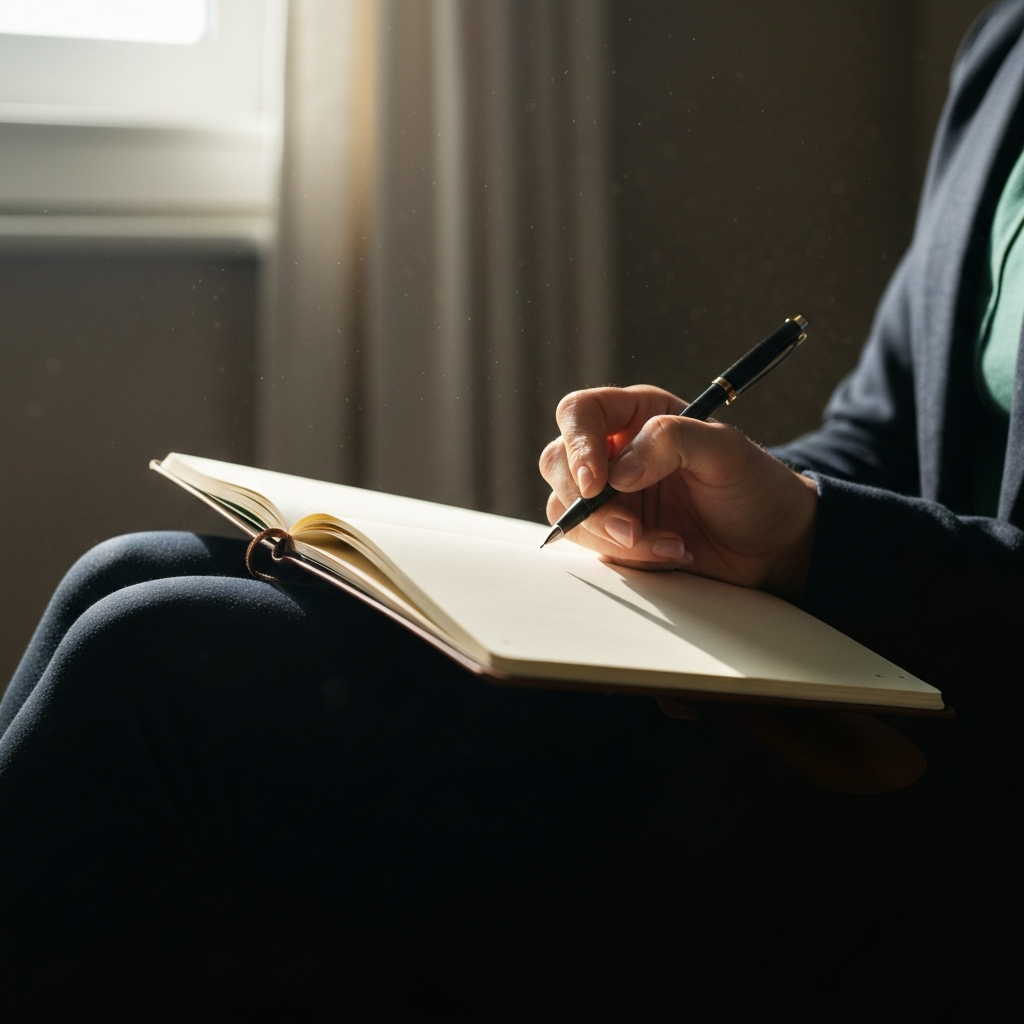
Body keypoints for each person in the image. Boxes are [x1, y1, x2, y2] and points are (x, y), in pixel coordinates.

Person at [3, 1, 1024, 1017]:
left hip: (956, 807)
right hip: (870, 692)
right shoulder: (1003, 49)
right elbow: (884, 434)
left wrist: (815, 541)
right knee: (130, 570)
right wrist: (706, 485)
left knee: (162, 655)